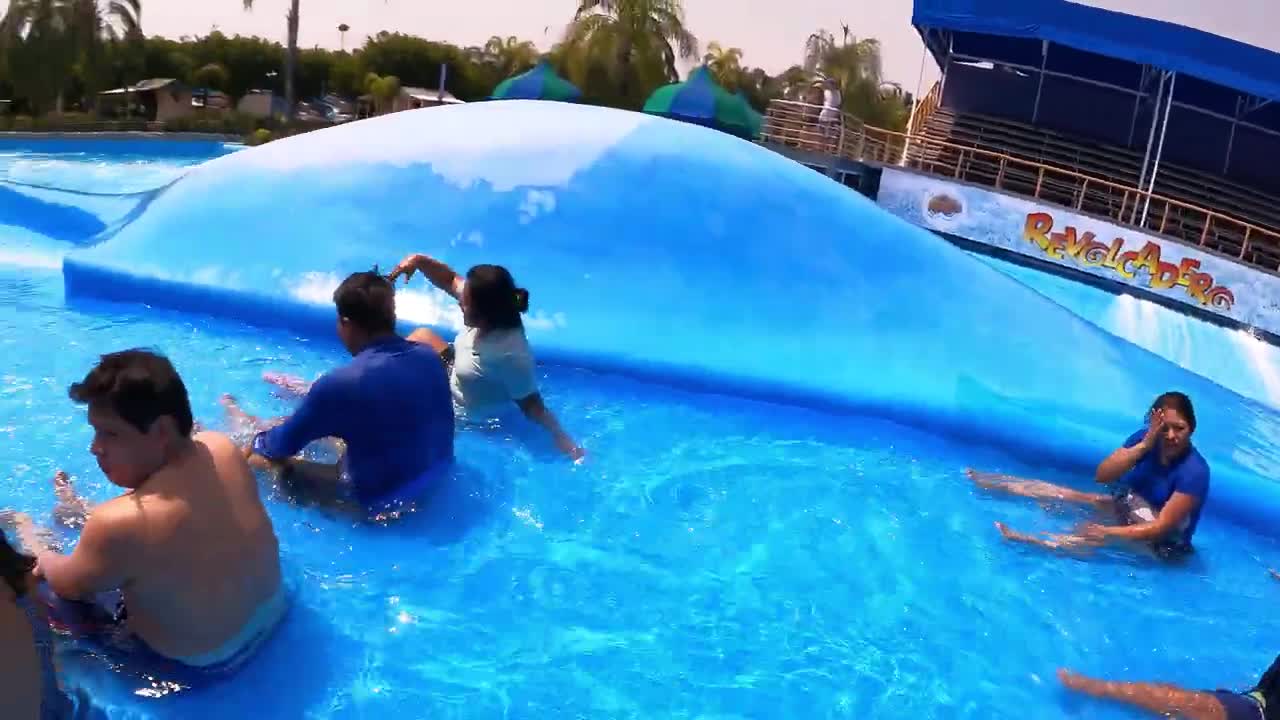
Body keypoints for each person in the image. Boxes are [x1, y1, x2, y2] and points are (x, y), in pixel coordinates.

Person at [11, 349, 285, 673]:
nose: (94, 447)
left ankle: (56, 526)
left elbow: (66, 583)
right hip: (274, 618)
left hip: (198, 667)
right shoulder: (220, 447)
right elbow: (170, 517)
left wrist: (36, 546)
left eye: (109, 433)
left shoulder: (118, 524)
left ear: (162, 432)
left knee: (36, 587)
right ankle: (80, 516)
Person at [233, 270, 455, 510]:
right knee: (322, 427)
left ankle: (230, 430)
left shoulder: (342, 384)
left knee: (255, 459)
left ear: (346, 323)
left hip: (383, 504)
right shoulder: (428, 356)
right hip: (435, 477)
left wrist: (255, 440)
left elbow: (280, 446)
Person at [384, 254, 584, 461]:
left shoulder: (511, 355)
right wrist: (417, 261)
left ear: (484, 313)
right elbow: (449, 279)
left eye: (466, 303)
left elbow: (533, 406)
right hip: (459, 372)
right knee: (421, 336)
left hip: (468, 414)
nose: (460, 303)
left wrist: (565, 442)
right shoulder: (492, 305)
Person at [968, 391, 1209, 557]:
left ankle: (1032, 541)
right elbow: (1103, 475)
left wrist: (1106, 531)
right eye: (1163, 427)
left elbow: (1161, 528)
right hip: (1130, 511)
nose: (1170, 436)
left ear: (1192, 428)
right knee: (1070, 495)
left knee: (1094, 534)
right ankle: (992, 483)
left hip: (1160, 547)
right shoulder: (1145, 441)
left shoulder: (1194, 472)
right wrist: (1143, 447)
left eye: (1179, 428)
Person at [1058, 657, 1279, 720]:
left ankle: (1098, 688)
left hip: (1257, 712)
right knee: (1173, 695)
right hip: (1257, 699)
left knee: (1185, 701)